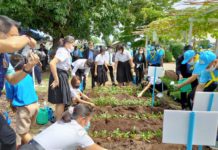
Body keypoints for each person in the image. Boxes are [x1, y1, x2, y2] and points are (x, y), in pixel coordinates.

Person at [0, 15, 39, 150]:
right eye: (13, 35)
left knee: (9, 138)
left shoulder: (4, 57)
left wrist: (27, 68)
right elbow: (12, 45)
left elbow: (12, 79)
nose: (17, 39)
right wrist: (27, 38)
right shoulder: (7, 47)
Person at [20, 104, 107, 150]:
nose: (88, 123)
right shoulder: (79, 133)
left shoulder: (62, 121)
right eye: (88, 120)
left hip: (27, 147)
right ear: (82, 119)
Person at [5, 54, 39, 145]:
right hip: (35, 105)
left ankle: (34, 147)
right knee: (27, 130)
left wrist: (12, 105)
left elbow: (10, 98)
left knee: (23, 133)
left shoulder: (11, 80)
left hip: (24, 108)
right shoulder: (28, 76)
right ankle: (24, 146)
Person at [48, 36, 74, 121]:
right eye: (72, 43)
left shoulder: (66, 51)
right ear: (67, 43)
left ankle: (57, 120)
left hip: (62, 74)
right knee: (61, 101)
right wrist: (56, 79)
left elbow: (66, 64)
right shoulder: (62, 51)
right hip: (59, 75)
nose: (73, 45)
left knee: (61, 100)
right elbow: (52, 63)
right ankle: (58, 122)